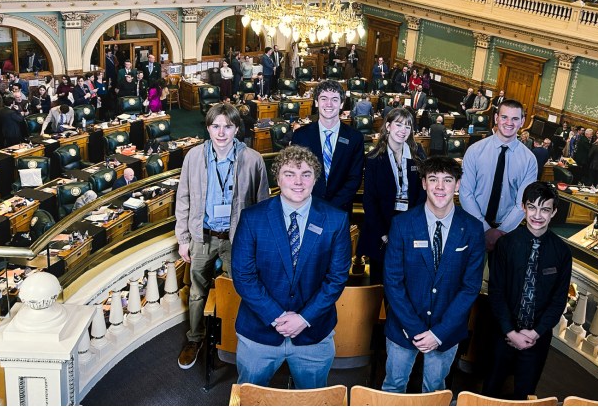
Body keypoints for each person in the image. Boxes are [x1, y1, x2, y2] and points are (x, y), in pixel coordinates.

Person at [230, 145, 351, 388]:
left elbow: (336, 278)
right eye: (289, 174)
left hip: (313, 333)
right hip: (259, 332)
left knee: (313, 401)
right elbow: (243, 276)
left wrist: (304, 318)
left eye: (306, 174)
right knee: (250, 399)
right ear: (278, 178)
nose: (298, 182)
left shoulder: (336, 220)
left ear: (315, 179)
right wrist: (276, 316)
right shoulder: (252, 218)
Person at [173, 103, 269, 369]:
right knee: (197, 292)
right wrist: (183, 239)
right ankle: (195, 338)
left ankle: (234, 339)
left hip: (238, 240)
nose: (221, 132)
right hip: (202, 236)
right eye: (216, 126)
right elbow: (183, 198)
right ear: (208, 128)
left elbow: (262, 205)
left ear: (237, 129)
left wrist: (258, 244)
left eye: (228, 126)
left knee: (238, 291)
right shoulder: (193, 157)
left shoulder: (253, 159)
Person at [382, 156, 485, 393]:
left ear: (457, 185)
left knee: (435, 391)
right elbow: (393, 282)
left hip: (446, 330)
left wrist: (439, 333)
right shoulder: (402, 224)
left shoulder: (472, 228)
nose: (440, 187)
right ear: (424, 183)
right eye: (433, 179)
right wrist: (415, 329)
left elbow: (470, 287)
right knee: (393, 387)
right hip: (403, 327)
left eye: (447, 180)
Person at [484, 182, 572, 399]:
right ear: (523, 207)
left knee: (526, 395)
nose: (537, 215)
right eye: (532, 207)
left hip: (537, 339)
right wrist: (510, 332)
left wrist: (535, 333)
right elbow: (496, 292)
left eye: (545, 209)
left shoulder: (562, 252)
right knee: (489, 391)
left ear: (554, 212)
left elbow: (558, 300)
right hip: (502, 333)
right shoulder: (505, 245)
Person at [460, 100, 539, 251]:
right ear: (496, 118)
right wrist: (485, 229)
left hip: (507, 233)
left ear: (522, 122)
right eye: (504, 117)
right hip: (473, 227)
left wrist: (499, 233)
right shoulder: (474, 151)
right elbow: (465, 194)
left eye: (515, 119)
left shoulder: (529, 160)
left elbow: (523, 203)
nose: (509, 123)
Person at [360, 108, 426, 284]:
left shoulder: (418, 153)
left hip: (409, 222)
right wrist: (383, 233)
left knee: (405, 281)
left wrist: (412, 225)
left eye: (408, 126)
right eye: (398, 125)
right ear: (388, 126)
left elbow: (423, 192)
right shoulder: (373, 158)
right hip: (381, 223)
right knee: (380, 280)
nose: (403, 130)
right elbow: (369, 200)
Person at [291, 80, 364, 212]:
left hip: (340, 210)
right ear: (316, 102)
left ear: (341, 104)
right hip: (307, 208)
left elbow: (354, 178)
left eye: (334, 99)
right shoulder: (300, 136)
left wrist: (331, 207)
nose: (329, 104)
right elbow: (296, 174)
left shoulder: (355, 138)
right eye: (324, 98)